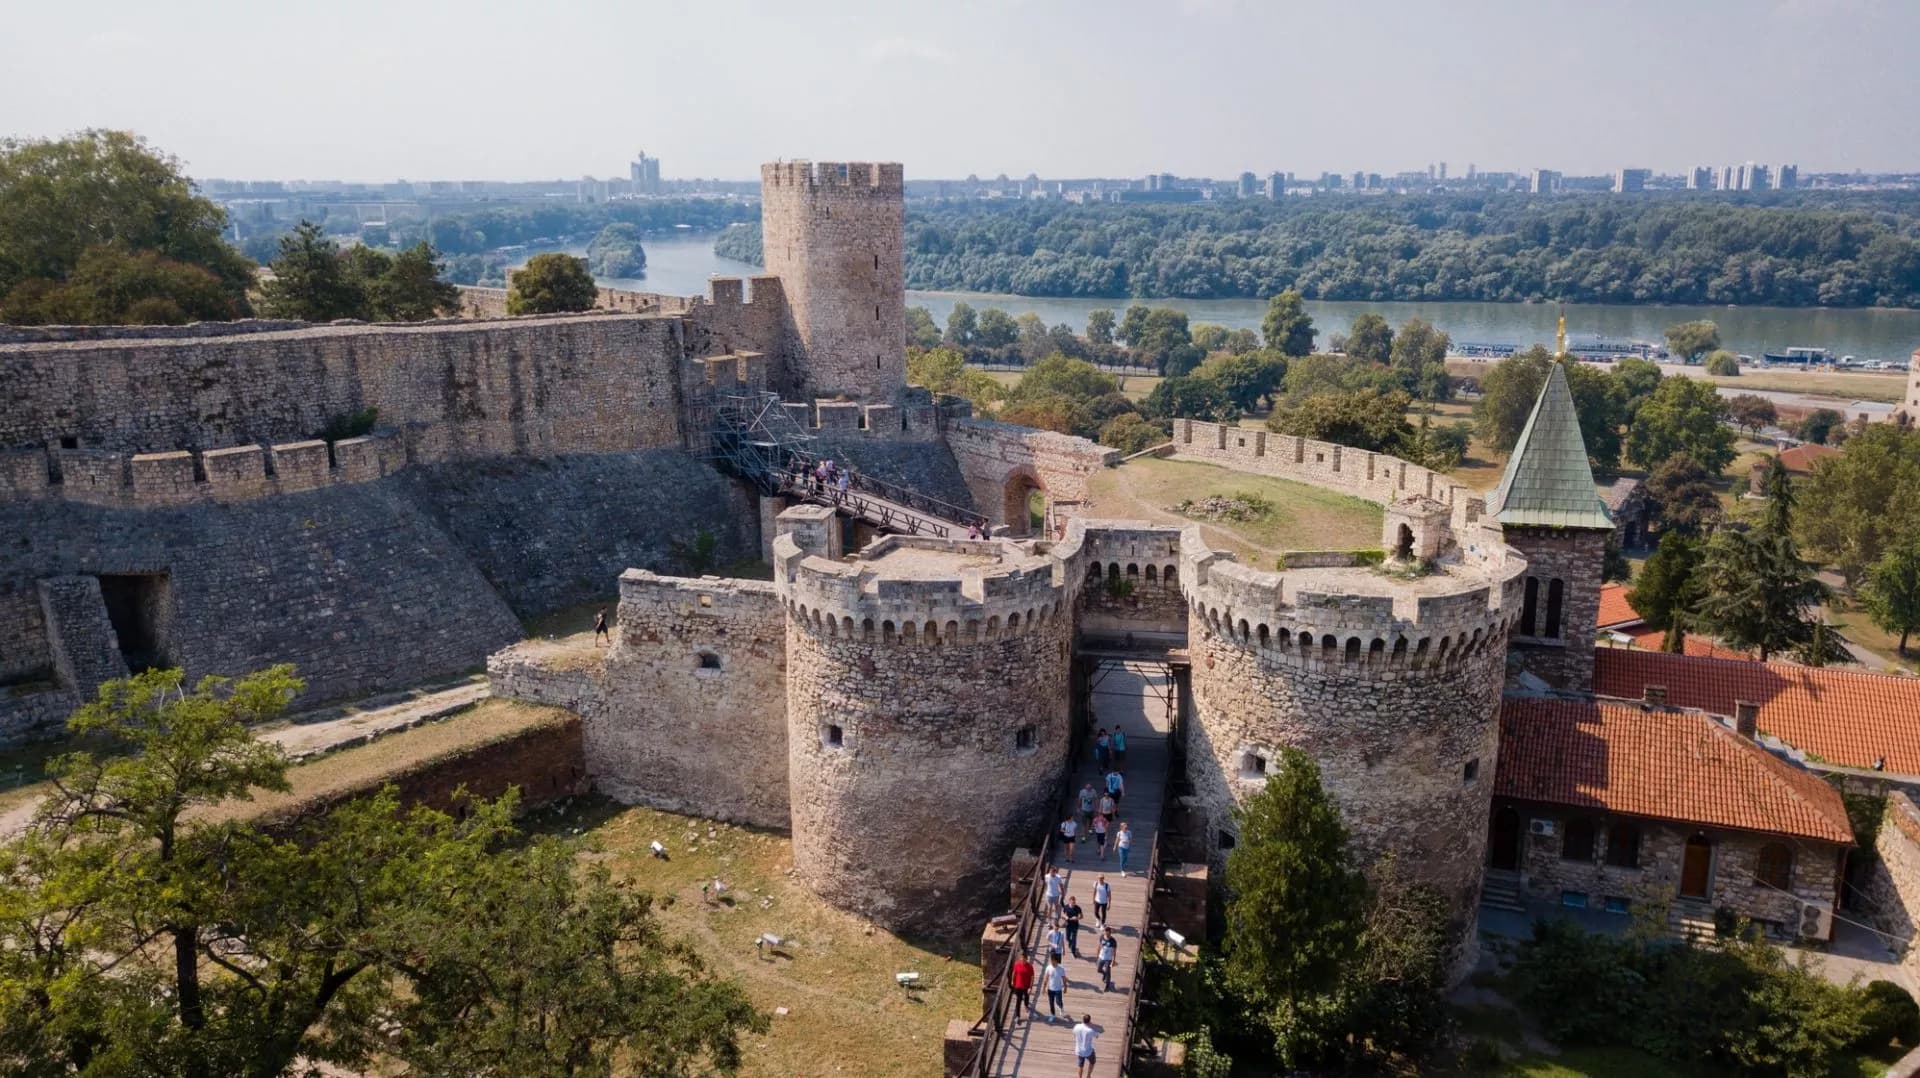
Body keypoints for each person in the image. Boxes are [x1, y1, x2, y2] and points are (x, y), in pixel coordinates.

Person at [1009, 952, 1035, 1019]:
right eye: (1021, 958)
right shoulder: (1017, 965)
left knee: (1026, 996)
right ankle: (1018, 1016)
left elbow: (1032, 977)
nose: (1022, 960)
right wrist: (1012, 980)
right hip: (1018, 986)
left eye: (1024, 959)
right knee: (1018, 1000)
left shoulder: (1030, 967)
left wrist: (1030, 987)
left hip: (1026, 986)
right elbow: (1014, 973)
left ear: (1026, 959)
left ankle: (1026, 1005)